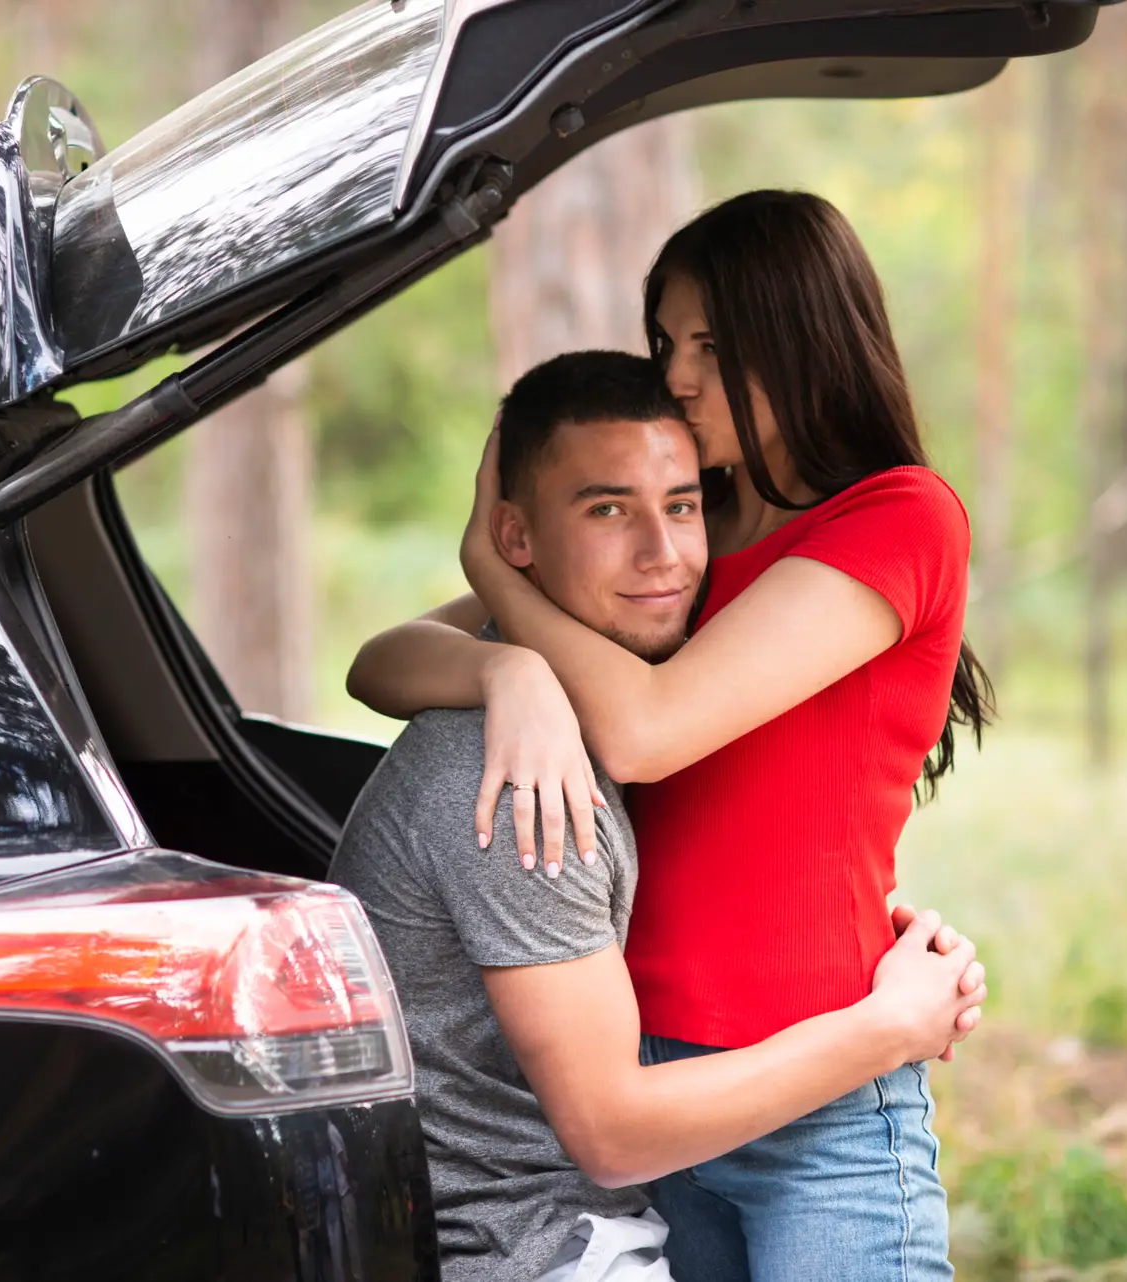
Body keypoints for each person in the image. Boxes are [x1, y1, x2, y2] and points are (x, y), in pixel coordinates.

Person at [346, 192, 994, 1281]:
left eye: (711, 345)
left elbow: (649, 734)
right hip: (664, 1100)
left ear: (804, 335)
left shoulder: (896, 518)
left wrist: (495, 571)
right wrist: (506, 667)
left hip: (822, 1106)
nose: (679, 378)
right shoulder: (688, 530)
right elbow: (382, 661)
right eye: (666, 343)